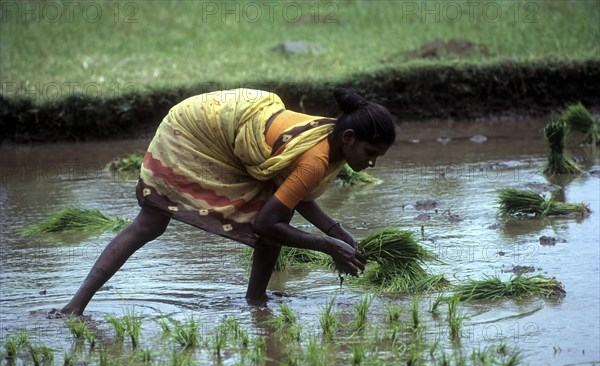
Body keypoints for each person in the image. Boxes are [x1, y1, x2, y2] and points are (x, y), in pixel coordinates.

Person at [60, 87, 396, 316]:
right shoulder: (316, 159)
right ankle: (74, 306)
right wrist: (328, 245)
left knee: (276, 218)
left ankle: (256, 302)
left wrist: (340, 234)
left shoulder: (332, 137)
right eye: (370, 153)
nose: (372, 163)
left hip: (227, 122)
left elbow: (294, 195)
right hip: (195, 131)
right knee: (151, 223)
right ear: (349, 138)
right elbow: (269, 221)